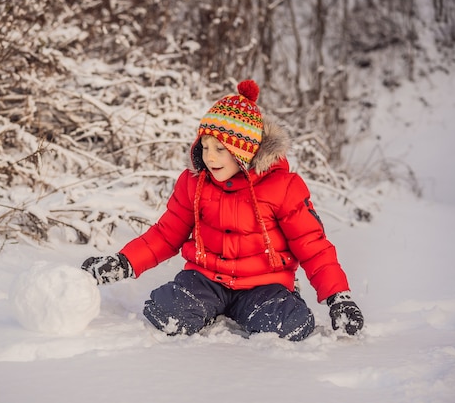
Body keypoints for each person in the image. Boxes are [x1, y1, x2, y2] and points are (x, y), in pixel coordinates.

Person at [81, 80, 364, 341]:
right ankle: (208, 307)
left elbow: (312, 245)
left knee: (290, 325)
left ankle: (273, 305)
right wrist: (124, 262)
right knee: (167, 313)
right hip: (206, 278)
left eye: (220, 148)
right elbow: (167, 234)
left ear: (244, 151)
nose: (210, 156)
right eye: (204, 146)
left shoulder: (282, 187)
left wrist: (338, 297)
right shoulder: (194, 184)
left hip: (263, 284)